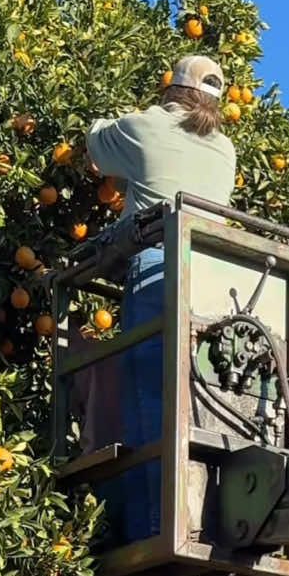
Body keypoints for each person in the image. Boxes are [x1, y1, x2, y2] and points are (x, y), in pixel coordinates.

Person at [85, 56, 235, 543]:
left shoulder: (147, 125)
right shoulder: (226, 150)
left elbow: (95, 144)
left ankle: (153, 531)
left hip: (160, 273)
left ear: (173, 88)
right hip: (221, 287)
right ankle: (205, 524)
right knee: (203, 403)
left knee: (149, 403)